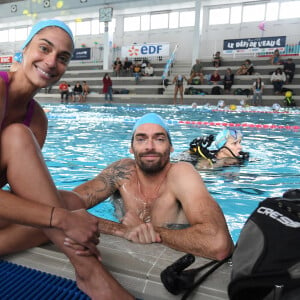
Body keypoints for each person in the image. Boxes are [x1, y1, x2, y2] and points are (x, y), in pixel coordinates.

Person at [0, 19, 133, 299]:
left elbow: (26, 193)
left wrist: (62, 214)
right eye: (44, 48)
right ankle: (91, 274)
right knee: (18, 138)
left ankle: (89, 274)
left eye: (63, 58)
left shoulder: (37, 119)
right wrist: (59, 218)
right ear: (23, 50)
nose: (51, 62)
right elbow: (50, 212)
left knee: (70, 202)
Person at [73, 113, 234, 260]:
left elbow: (218, 244)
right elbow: (64, 204)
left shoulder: (181, 174)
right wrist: (122, 230)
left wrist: (150, 231)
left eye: (159, 139)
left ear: (171, 147)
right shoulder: (121, 171)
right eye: (141, 139)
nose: (149, 146)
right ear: (131, 147)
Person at [177, 128, 249, 170]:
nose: (240, 147)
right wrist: (192, 148)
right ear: (222, 148)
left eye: (240, 142)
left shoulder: (238, 160)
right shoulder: (206, 156)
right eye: (234, 143)